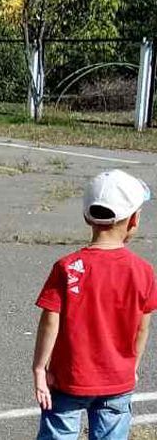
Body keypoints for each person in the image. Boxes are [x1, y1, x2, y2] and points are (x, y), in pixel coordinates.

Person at [31, 170, 155, 440]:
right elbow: (142, 329)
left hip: (68, 379)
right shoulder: (144, 271)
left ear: (88, 217)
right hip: (118, 381)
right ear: (134, 220)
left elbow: (50, 321)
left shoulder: (67, 267)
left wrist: (40, 368)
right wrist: (132, 365)